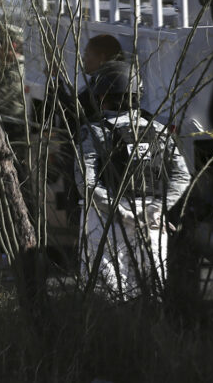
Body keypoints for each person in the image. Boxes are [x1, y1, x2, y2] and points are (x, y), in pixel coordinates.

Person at [76, 60, 191, 299]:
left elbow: (86, 183)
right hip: (152, 220)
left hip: (108, 219)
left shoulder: (94, 132)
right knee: (153, 292)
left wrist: (118, 211)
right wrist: (159, 208)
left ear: (101, 97)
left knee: (107, 296)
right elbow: (182, 175)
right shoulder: (158, 130)